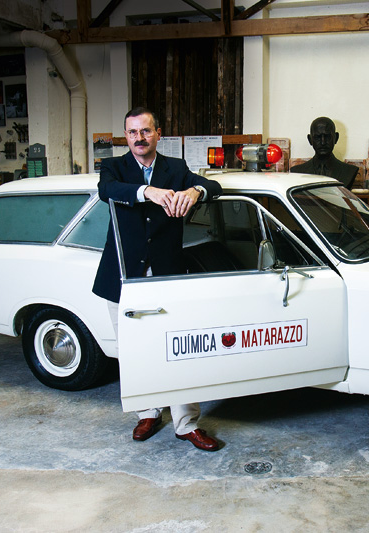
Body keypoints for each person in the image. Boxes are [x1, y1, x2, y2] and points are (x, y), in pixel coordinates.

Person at [92, 107, 223, 452]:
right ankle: (147, 412)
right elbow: (107, 190)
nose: (139, 138)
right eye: (133, 132)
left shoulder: (175, 168)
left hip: (166, 275)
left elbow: (214, 185)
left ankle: (186, 424)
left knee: (177, 349)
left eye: (146, 131)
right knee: (132, 350)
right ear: (126, 137)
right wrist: (148, 192)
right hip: (121, 274)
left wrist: (195, 192)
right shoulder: (114, 167)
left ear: (158, 133)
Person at [290, 116, 359, 189]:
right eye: (317, 137)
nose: (323, 142)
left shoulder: (349, 171)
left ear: (336, 138)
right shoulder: (297, 172)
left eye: (328, 137)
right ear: (310, 140)